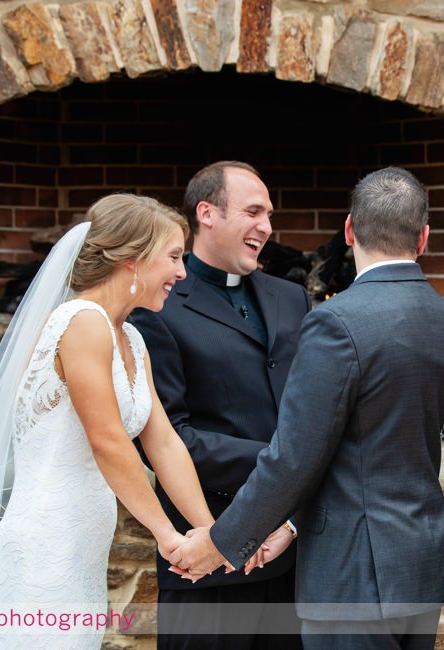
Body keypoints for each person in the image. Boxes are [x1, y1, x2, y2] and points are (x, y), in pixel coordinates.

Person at [168, 166, 444, 650]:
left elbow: (297, 457)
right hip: (420, 564)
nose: (266, 224)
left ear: (349, 230)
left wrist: (222, 541)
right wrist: (288, 524)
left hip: (352, 572)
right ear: (425, 237)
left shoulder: (336, 320)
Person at [0, 194, 217, 649]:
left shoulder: (129, 337)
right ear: (133, 259)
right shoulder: (82, 323)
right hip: (44, 544)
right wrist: (167, 535)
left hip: (82, 547)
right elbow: (108, 441)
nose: (182, 272)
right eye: (173, 257)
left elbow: (164, 443)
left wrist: (207, 531)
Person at [129, 161, 311, 649]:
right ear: (206, 213)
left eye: (270, 215)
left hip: (295, 558)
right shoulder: (159, 304)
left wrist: (292, 512)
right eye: (254, 211)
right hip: (209, 564)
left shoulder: (293, 298)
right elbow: (170, 436)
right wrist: (284, 463)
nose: (267, 227)